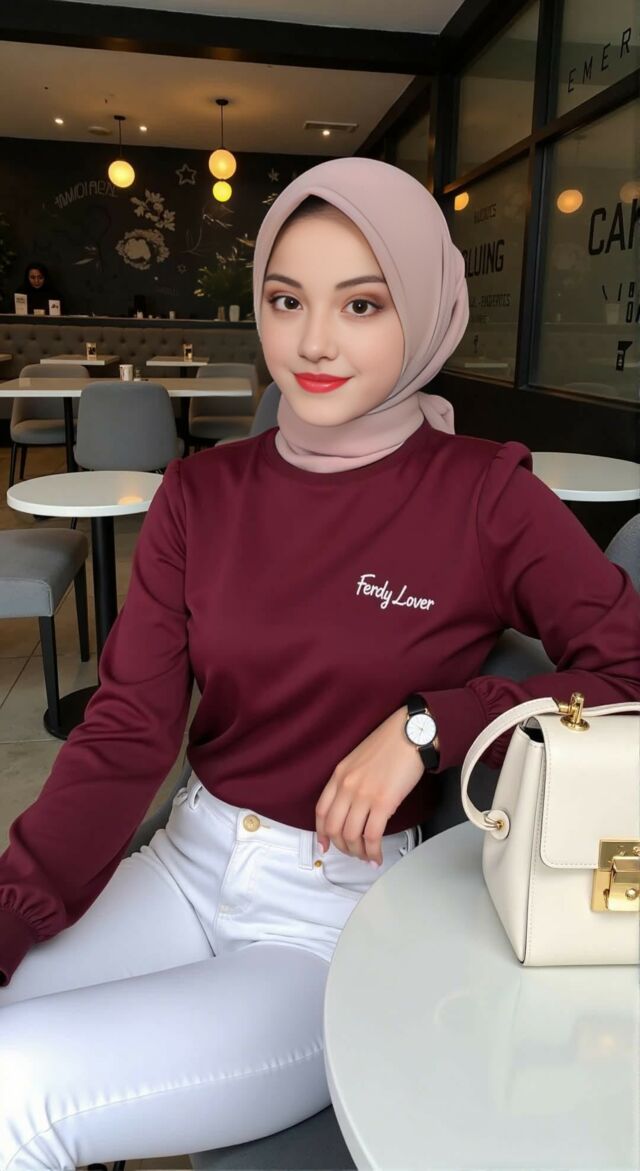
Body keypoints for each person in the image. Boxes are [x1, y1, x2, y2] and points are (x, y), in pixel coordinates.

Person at [0, 158, 638, 1169]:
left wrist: (432, 724)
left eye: (362, 304)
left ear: (423, 311)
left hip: (335, 919)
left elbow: (629, 670)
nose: (313, 342)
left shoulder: (486, 495)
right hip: (184, 864)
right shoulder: (200, 493)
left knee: (17, 1089)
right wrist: (13, 905)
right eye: (287, 299)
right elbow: (125, 733)